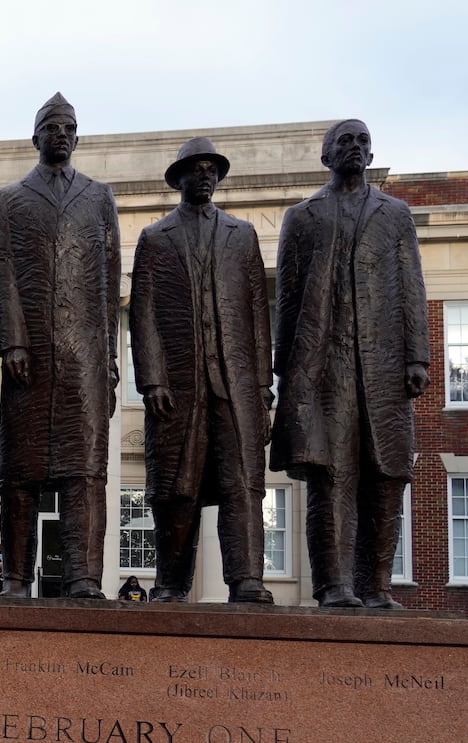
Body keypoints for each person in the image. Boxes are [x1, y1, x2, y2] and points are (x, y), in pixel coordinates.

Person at [271, 119, 430, 609]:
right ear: (326, 156)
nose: (355, 148)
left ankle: (376, 587)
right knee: (331, 476)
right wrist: (285, 369)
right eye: (345, 141)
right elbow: (288, 296)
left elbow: (411, 286)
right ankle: (334, 585)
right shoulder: (303, 216)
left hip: (384, 368)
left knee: (386, 475)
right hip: (325, 369)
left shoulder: (395, 214)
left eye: (362, 141)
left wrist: (417, 355)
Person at [131, 136, 275, 605]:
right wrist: (151, 378)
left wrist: (262, 388)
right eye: (197, 168)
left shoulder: (242, 235)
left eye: (212, 168)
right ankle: (171, 583)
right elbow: (144, 312)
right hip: (177, 387)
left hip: (236, 388)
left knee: (243, 484)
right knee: (176, 489)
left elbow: (257, 314)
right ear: (180, 178)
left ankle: (246, 579)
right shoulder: (155, 238)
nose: (206, 175)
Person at [0, 92, 121, 600]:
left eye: (69, 127)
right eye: (52, 126)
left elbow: (110, 282)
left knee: (85, 472)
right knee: (19, 473)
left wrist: (109, 356)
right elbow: (3, 273)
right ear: (36, 136)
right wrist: (12, 343)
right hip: (31, 357)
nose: (62, 134)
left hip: (83, 356)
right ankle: (15, 578)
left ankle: (84, 577)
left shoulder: (99, 195)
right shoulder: (12, 198)